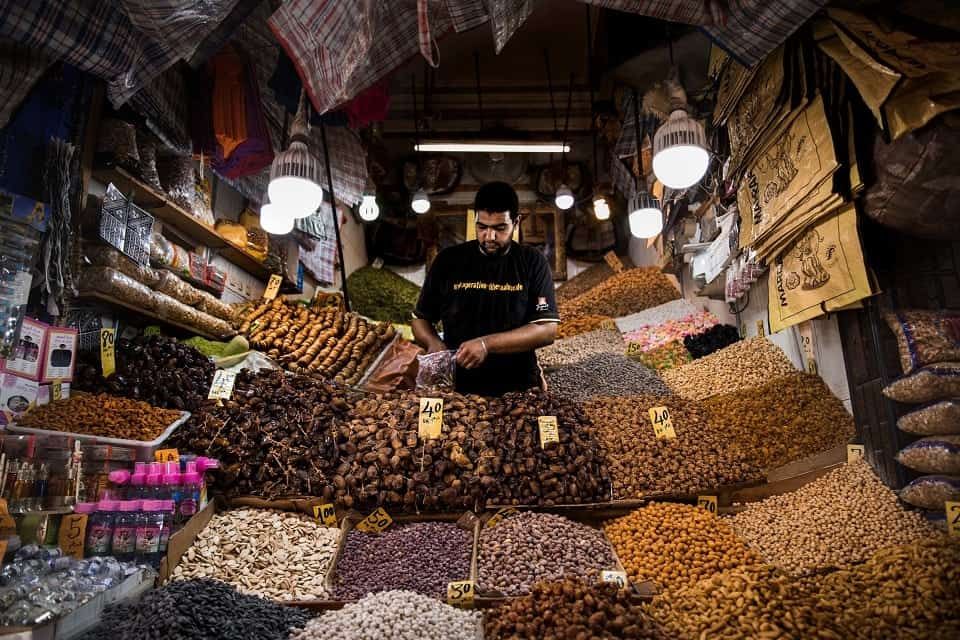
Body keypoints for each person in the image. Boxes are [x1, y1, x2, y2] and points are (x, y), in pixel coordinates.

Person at [412, 181, 559, 396]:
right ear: (475, 220)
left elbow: (547, 330)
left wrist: (486, 344)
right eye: (482, 227)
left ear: (516, 222)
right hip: (459, 391)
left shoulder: (532, 262)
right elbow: (420, 318)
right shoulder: (448, 261)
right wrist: (433, 342)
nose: (489, 236)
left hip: (517, 389)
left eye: (500, 228)